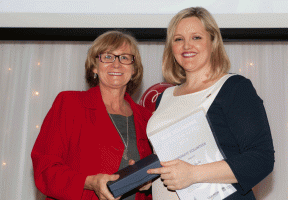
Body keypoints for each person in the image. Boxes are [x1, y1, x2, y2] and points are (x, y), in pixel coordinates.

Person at [146, 7, 275, 200]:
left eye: (196, 37)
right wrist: (147, 177)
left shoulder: (234, 88)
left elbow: (261, 160)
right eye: (178, 39)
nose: (186, 45)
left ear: (213, 42)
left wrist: (193, 174)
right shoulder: (165, 97)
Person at [31, 30, 153, 200]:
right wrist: (89, 182)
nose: (116, 64)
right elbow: (45, 170)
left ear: (134, 69)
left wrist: (149, 183)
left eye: (125, 58)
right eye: (107, 57)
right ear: (95, 66)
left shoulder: (147, 118)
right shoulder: (69, 104)